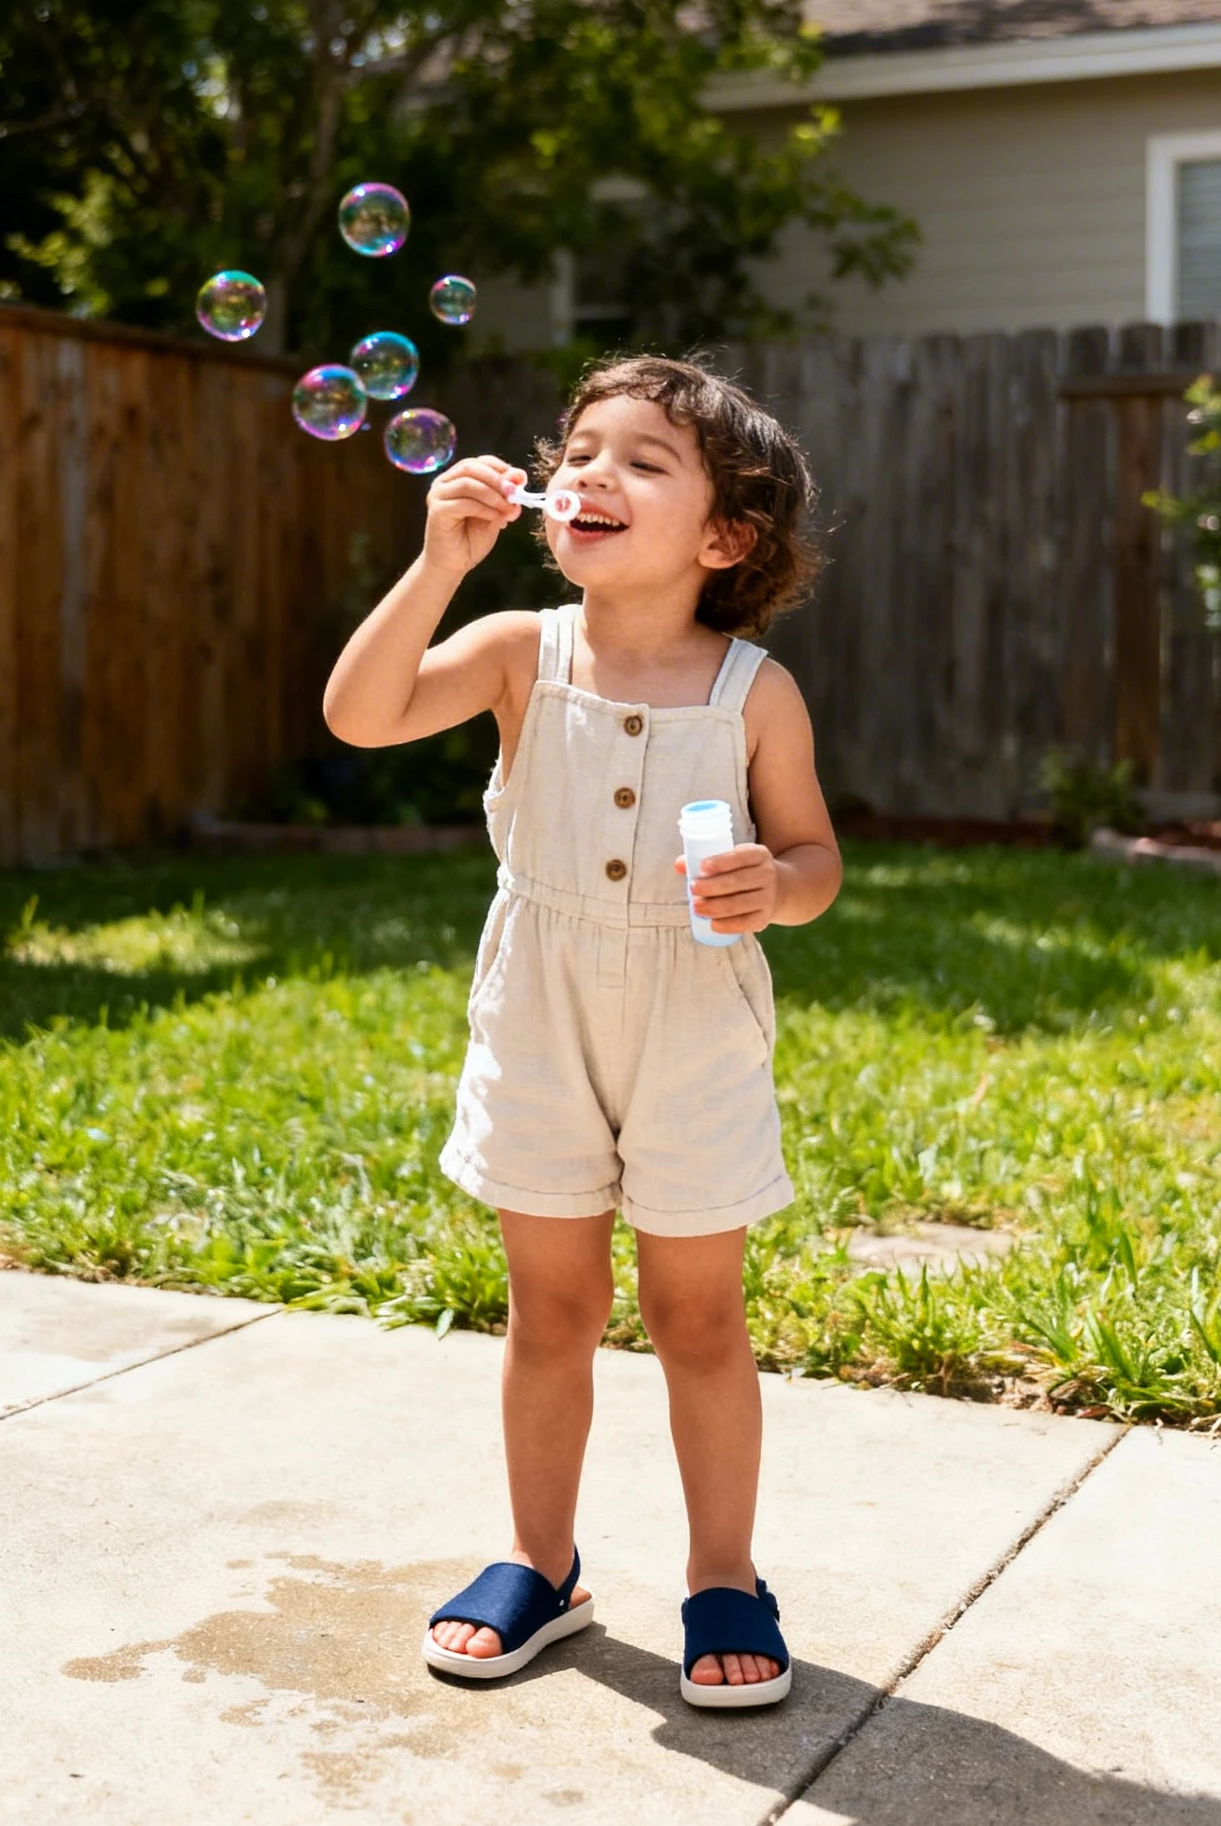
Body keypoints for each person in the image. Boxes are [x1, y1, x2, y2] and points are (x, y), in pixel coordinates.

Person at [323, 355, 840, 1707]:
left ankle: (725, 1574)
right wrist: (439, 564)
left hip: (696, 1033)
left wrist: (774, 888)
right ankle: (539, 1562)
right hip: (542, 1022)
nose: (592, 469)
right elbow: (360, 714)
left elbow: (816, 859)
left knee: (699, 1317)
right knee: (549, 1308)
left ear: (724, 539)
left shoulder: (751, 692)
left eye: (644, 459)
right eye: (581, 446)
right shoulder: (515, 653)